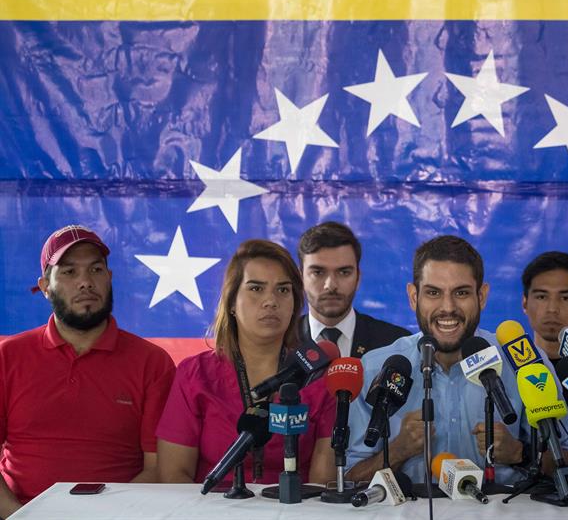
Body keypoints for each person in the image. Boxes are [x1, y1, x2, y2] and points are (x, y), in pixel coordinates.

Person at [346, 235, 568, 485]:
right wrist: (396, 452)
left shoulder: (523, 363)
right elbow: (348, 478)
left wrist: (521, 453)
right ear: (414, 297)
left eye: (461, 292)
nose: (448, 307)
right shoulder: (376, 368)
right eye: (433, 292)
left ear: (482, 296)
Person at [0, 225, 176, 517]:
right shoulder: (8, 357)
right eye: (69, 272)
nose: (85, 282)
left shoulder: (152, 363)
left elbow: (160, 469)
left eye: (95, 270)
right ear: (45, 287)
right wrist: (21, 516)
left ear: (109, 279)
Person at [156, 240, 336, 486]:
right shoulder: (195, 374)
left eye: (283, 290)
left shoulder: (318, 378)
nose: (271, 301)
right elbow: (173, 476)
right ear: (231, 302)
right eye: (256, 289)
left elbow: (322, 484)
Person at [297, 221, 410, 358]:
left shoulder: (396, 345)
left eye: (344, 272)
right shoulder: (279, 342)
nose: (331, 285)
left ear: (358, 278)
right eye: (318, 273)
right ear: (300, 277)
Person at [521, 251, 568, 442]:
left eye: (565, 298)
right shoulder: (509, 373)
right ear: (525, 303)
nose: (552, 308)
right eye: (542, 297)